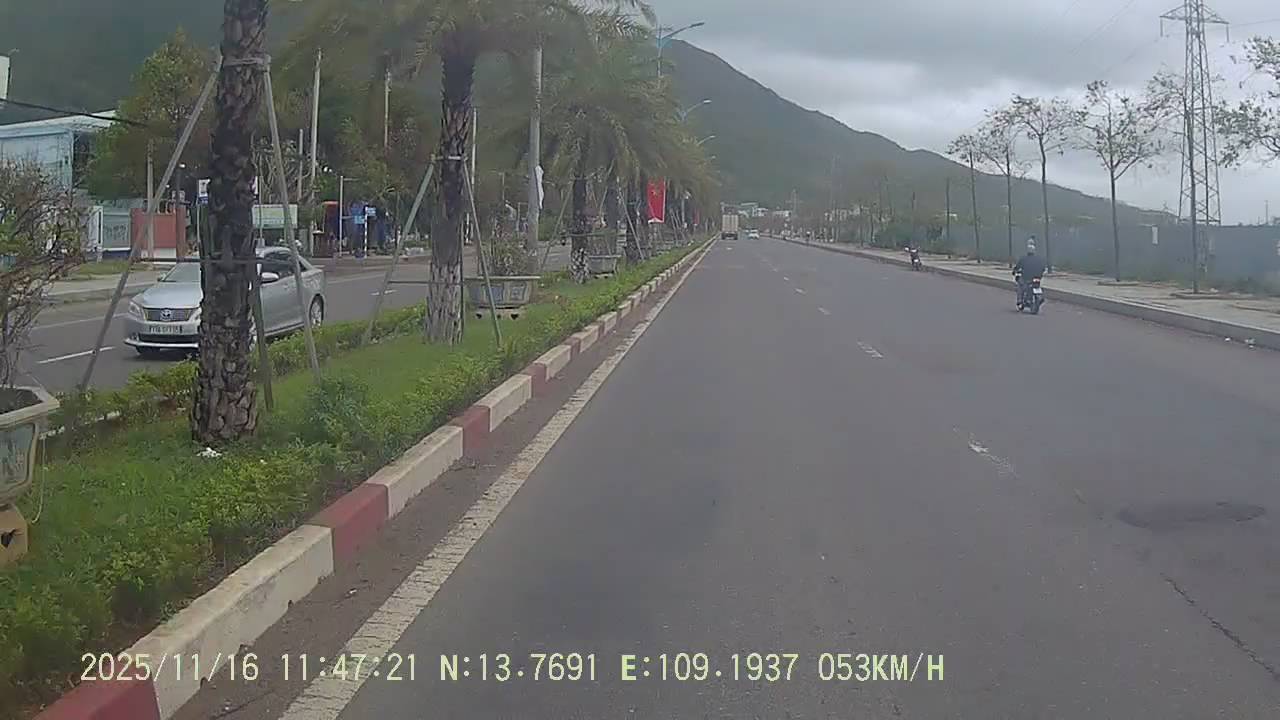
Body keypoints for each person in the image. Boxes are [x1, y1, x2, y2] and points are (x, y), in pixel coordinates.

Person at [1013, 239, 1047, 305]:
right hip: (1037, 277)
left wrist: (1014, 271)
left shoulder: (1023, 259)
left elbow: (1017, 267)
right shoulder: (1039, 259)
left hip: (1026, 278)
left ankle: (1020, 300)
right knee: (1037, 286)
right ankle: (1038, 297)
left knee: (1020, 285)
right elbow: (1043, 268)